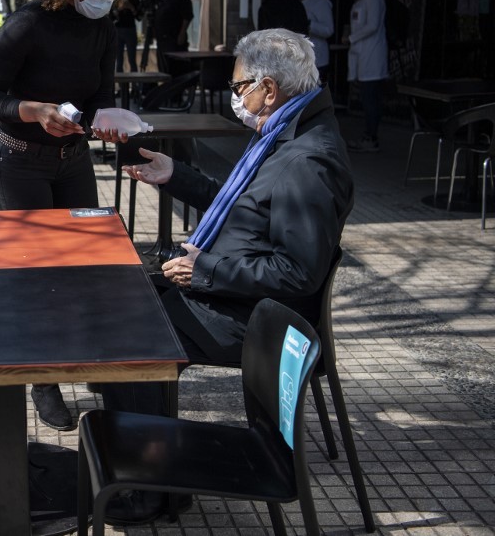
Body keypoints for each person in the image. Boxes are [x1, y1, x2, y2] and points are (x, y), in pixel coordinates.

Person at [99, 29, 354, 524]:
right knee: (124, 296)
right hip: (242, 297)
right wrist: (178, 175)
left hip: (261, 322)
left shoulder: (308, 160)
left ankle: (150, 489)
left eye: (239, 89)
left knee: (127, 333)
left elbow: (298, 271)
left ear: (269, 88)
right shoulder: (288, 132)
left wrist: (206, 269)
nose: (237, 99)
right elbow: (248, 208)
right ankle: (156, 471)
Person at [0, 0, 154, 431]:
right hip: (20, 163)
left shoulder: (104, 27)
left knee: (86, 262)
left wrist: (107, 121)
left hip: (73, 161)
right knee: (34, 273)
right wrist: (32, 110)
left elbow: (101, 94)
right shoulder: (26, 25)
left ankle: (85, 358)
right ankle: (43, 381)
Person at [344, 0, 388, 153]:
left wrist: (351, 38)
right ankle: (368, 135)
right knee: (366, 98)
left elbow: (372, 26)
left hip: (373, 55)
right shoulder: (360, 0)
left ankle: (372, 137)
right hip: (360, 55)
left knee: (371, 98)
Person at [296, 0, 335, 83]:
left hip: (318, 58)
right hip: (300, 59)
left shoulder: (322, 3)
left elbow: (328, 30)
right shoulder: (297, 2)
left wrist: (308, 24)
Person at [153, 0, 193, 76]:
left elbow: (187, 17)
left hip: (175, 39)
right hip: (162, 40)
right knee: (163, 68)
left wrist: (182, 33)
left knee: (175, 69)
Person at [113, 0, 140, 73]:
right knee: (119, 60)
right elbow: (111, 17)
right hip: (118, 30)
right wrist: (119, 9)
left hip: (130, 29)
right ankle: (122, 85)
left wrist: (131, 8)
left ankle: (135, 84)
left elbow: (139, 17)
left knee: (132, 59)